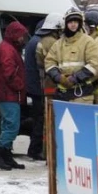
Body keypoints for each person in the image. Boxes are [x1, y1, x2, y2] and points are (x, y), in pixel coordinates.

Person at [0, 21, 29, 171]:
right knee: (12, 126)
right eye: (20, 35)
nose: (22, 39)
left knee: (8, 125)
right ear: (14, 35)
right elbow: (9, 73)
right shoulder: (8, 49)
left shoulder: (9, 47)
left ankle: (6, 156)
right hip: (9, 94)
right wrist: (20, 85)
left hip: (8, 94)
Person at [23, 13, 63, 161]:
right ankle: (36, 150)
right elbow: (50, 66)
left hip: (34, 86)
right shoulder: (48, 41)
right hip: (42, 87)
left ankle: (35, 149)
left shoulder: (34, 40)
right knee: (42, 120)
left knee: (38, 119)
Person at [45, 7, 98, 104]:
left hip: (82, 95)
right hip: (63, 95)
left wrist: (75, 78)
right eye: (70, 22)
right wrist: (58, 77)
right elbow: (49, 62)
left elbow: (94, 63)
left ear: (80, 23)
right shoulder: (58, 44)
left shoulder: (88, 41)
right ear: (66, 24)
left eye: (76, 21)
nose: (73, 24)